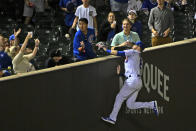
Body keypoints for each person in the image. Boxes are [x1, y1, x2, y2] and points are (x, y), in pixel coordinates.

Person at [97, 41, 159, 125]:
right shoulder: (139, 57)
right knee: (130, 105)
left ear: (138, 47)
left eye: (135, 45)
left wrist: (105, 49)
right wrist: (121, 74)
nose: (134, 46)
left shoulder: (133, 52)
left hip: (132, 81)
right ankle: (152, 105)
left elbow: (118, 53)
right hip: (137, 82)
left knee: (119, 97)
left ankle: (112, 118)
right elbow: (132, 70)